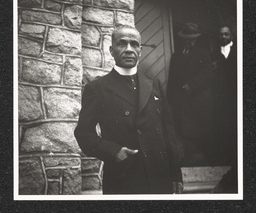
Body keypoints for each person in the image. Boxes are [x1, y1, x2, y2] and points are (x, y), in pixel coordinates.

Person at [74, 25, 183, 194]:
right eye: (122, 44)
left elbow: (168, 131)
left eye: (134, 44)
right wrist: (113, 151)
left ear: (140, 50)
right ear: (111, 50)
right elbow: (83, 133)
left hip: (159, 175)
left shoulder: (154, 84)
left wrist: (176, 175)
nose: (129, 49)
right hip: (124, 176)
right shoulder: (98, 88)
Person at [167, 23, 213, 166]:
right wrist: (169, 98)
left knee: (197, 128)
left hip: (197, 99)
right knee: (181, 127)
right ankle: (185, 159)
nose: (188, 41)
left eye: (191, 38)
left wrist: (191, 85)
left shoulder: (203, 54)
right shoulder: (176, 56)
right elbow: (172, 79)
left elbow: (207, 74)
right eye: (186, 38)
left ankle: (201, 159)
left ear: (196, 39)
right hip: (180, 100)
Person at [210, 25, 237, 193]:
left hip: (236, 96)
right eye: (221, 34)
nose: (224, 37)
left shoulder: (238, 51)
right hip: (219, 98)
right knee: (221, 127)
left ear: (231, 35)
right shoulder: (213, 53)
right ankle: (222, 155)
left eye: (226, 34)